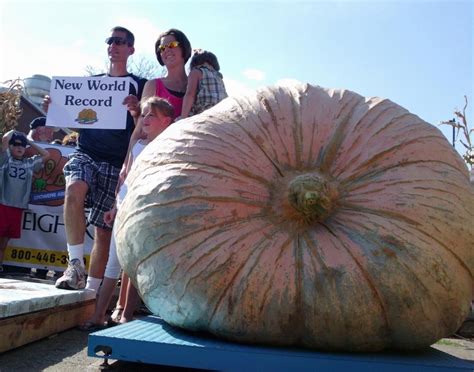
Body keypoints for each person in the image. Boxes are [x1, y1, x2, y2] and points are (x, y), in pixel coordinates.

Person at [44, 26, 147, 291]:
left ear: (131, 49)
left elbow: (143, 128)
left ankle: (90, 292)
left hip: (117, 162)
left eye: (120, 41)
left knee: (103, 231)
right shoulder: (92, 83)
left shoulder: (140, 85)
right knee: (74, 189)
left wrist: (136, 111)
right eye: (110, 41)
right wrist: (55, 109)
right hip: (86, 152)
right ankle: (74, 265)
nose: (113, 45)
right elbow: (74, 122)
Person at [109, 28, 191, 319]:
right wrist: (126, 164)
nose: (166, 49)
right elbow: (139, 128)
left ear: (184, 49)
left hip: (180, 166)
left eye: (172, 44)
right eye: (161, 47)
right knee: (138, 232)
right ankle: (122, 307)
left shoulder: (197, 82)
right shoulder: (154, 84)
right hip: (151, 165)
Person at [79, 97, 175, 330]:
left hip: (144, 210)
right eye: (144, 115)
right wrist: (113, 206)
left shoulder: (171, 147)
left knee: (133, 264)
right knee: (112, 261)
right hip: (123, 207)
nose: (146, 119)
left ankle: (126, 315)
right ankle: (99, 315)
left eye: (152, 115)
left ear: (167, 121)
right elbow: (125, 179)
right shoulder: (137, 146)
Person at [0, 131, 50, 273]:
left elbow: (46, 155)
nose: (20, 147)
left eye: (22, 145)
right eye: (16, 145)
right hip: (3, 204)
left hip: (18, 207)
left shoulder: (29, 163)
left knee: (4, 242)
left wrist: (29, 142)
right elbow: (5, 138)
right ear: (10, 147)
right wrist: (15, 133)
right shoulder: (5, 159)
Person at [180, 49, 228, 118]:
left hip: (205, 112)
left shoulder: (196, 72)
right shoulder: (219, 77)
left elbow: (190, 94)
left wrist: (183, 117)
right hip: (223, 112)